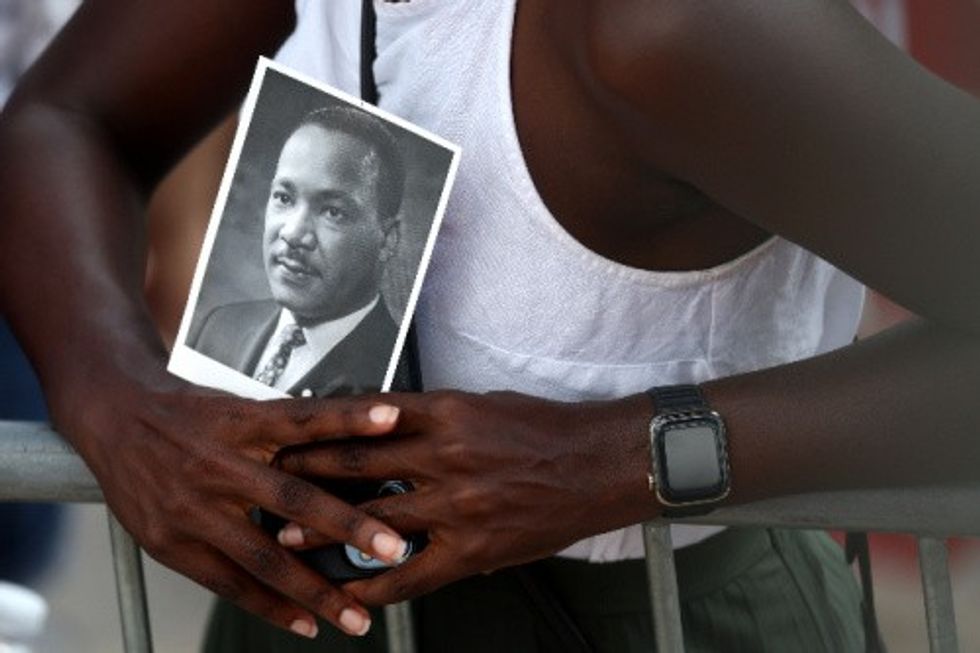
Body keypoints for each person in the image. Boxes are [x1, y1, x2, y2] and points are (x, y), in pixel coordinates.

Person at [1, 1, 979, 651]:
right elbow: (63, 116)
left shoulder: (673, 27)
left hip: (657, 612)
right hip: (295, 590)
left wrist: (606, 458)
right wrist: (119, 404)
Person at [189, 106, 403, 398]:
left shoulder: (394, 379)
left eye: (333, 212)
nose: (292, 233)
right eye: (284, 197)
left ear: (387, 239)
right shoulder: (219, 327)